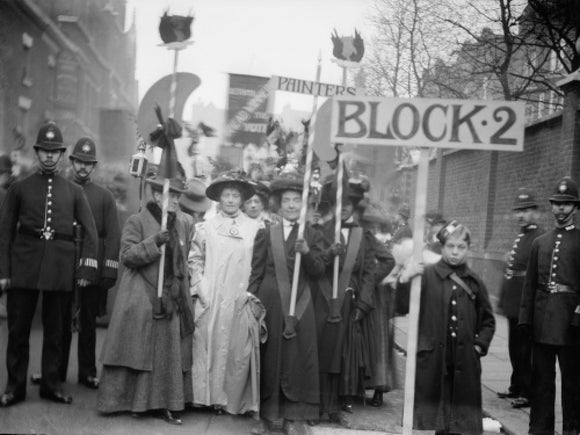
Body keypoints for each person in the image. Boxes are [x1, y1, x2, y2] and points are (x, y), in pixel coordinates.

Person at [0, 121, 99, 407]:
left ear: (61, 154)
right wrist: (4, 273)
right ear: (37, 152)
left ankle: (51, 385)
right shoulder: (19, 189)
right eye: (44, 150)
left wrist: (84, 271)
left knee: (56, 331)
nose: (49, 156)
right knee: (18, 331)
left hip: (59, 269)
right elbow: (5, 233)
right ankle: (14, 387)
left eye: (55, 152)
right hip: (24, 267)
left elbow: (91, 233)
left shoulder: (74, 191)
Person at [98, 176, 195, 425]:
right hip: (142, 296)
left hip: (172, 299)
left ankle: (165, 403)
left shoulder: (183, 223)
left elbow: (183, 261)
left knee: (166, 353)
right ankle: (135, 403)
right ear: (156, 194)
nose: (174, 199)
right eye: (169, 194)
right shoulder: (137, 220)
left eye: (177, 195)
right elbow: (127, 255)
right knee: (140, 351)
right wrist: (154, 243)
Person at [247, 171, 326, 434]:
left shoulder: (313, 236)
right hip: (271, 303)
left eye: (296, 200)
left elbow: (318, 272)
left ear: (303, 205)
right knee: (270, 359)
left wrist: (308, 253)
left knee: (298, 359)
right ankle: (269, 416)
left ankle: (295, 418)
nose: (291, 205)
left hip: (302, 307)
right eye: (287, 200)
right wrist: (251, 303)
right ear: (278, 205)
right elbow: (256, 272)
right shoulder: (266, 233)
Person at [406, 221, 495, 435]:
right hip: (435, 358)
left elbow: (488, 321)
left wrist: (478, 347)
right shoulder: (426, 275)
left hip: (463, 360)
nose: (455, 252)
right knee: (438, 418)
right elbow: (402, 306)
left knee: (458, 421)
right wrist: (406, 277)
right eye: (450, 246)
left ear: (468, 249)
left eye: (461, 247)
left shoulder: (474, 282)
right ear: (443, 248)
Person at [188, 171, 262, 415]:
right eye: (226, 195)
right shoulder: (205, 227)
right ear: (219, 198)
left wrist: (252, 294)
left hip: (240, 295)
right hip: (213, 294)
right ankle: (205, 398)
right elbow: (195, 259)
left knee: (237, 348)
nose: (231, 200)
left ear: (242, 199)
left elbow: (260, 263)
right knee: (207, 343)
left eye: (235, 195)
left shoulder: (255, 228)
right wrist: (201, 286)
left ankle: (233, 400)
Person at [519, 176, 580, 435]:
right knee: (542, 381)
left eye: (566, 205)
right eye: (556, 204)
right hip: (543, 321)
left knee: (573, 382)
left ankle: (572, 429)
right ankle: (540, 429)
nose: (560, 209)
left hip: (571, 323)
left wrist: (578, 318)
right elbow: (529, 286)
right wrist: (525, 319)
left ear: (575, 208)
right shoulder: (540, 242)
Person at [312, 177, 376, 421]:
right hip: (323, 299)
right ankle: (318, 404)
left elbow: (369, 271)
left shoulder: (362, 234)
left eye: (350, 202)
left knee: (343, 354)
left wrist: (363, 303)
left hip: (349, 302)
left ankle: (337, 405)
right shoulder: (320, 232)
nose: (346, 206)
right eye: (341, 202)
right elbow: (314, 267)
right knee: (322, 351)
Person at [496, 188, 543, 409]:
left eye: (526, 210)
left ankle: (527, 391)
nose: (521, 215)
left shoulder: (538, 237)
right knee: (515, 348)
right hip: (514, 303)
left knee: (525, 350)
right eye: (519, 211)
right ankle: (516, 385)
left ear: (536, 212)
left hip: (525, 304)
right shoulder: (523, 236)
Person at [360, 206, 397, 407]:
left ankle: (379, 389)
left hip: (375, 297)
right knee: (363, 342)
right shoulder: (356, 236)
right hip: (360, 293)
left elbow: (389, 260)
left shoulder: (370, 239)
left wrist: (372, 278)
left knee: (378, 341)